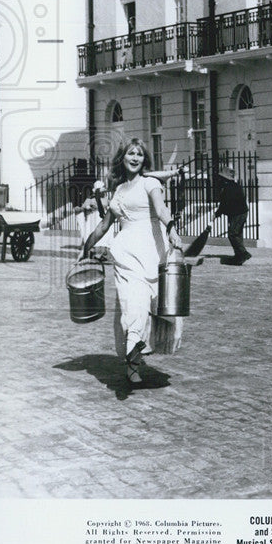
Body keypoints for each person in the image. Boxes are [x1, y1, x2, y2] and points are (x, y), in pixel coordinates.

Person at [81, 139, 184, 385]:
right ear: (123, 158)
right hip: (126, 252)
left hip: (152, 249)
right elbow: (105, 224)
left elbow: (161, 210)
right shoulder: (118, 190)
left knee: (155, 304)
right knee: (132, 300)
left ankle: (134, 348)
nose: (135, 158)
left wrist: (171, 227)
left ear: (144, 159)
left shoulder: (151, 183)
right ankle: (133, 358)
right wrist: (87, 246)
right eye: (131, 153)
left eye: (139, 154)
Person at [214, 165, 250, 265]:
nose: (219, 180)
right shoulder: (234, 186)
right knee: (238, 234)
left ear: (224, 179)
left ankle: (243, 253)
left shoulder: (228, 188)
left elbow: (225, 203)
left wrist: (217, 213)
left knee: (233, 234)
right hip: (239, 212)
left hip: (238, 213)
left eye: (221, 178)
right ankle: (238, 256)